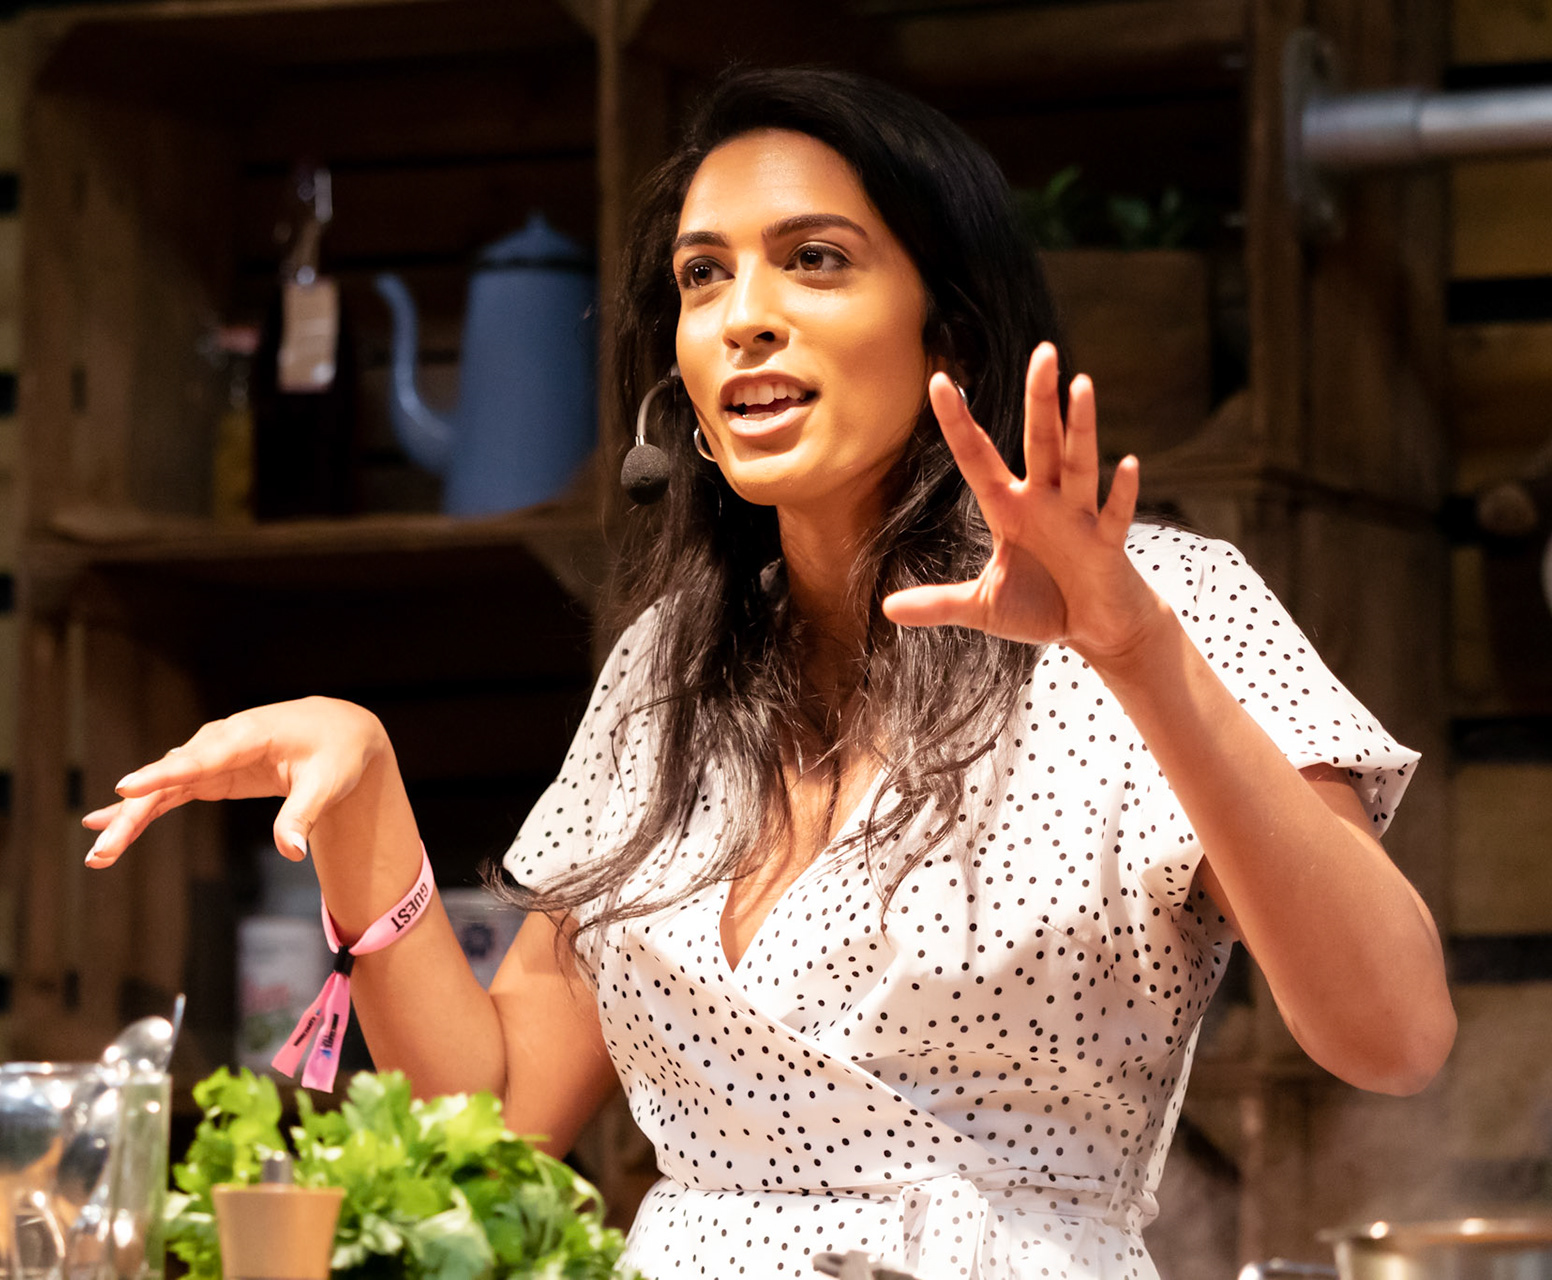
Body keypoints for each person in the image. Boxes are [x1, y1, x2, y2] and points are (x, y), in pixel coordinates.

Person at [82, 66, 1455, 1280]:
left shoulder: (1164, 604)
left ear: (949, 329)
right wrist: (365, 794)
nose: (744, 317)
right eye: (703, 275)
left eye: (815, 260)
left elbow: (1394, 1034)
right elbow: (498, 1120)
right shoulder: (668, 672)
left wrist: (1137, 654)